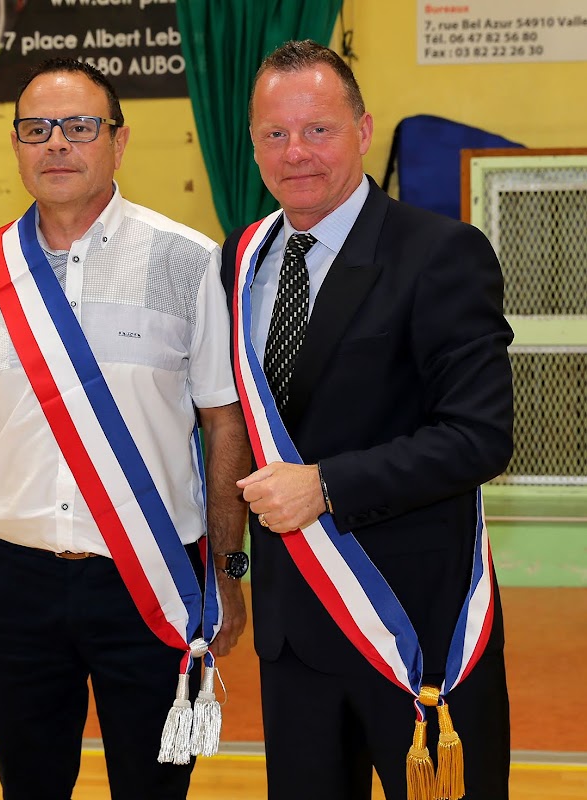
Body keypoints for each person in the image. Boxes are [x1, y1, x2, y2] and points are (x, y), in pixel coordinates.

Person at [0, 57, 252, 800]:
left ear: (119, 141)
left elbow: (222, 422)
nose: (57, 143)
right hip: (15, 580)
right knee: (29, 786)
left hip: (150, 575)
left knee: (153, 787)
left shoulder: (188, 259)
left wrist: (228, 572)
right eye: (37, 129)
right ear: (16, 145)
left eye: (79, 126)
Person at [221, 41, 514, 800]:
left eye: (318, 129)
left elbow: (479, 435)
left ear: (363, 129)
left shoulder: (440, 252)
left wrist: (326, 485)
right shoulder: (240, 259)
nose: (295, 152)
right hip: (292, 633)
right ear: (252, 144)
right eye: (275, 134)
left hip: (413, 626)